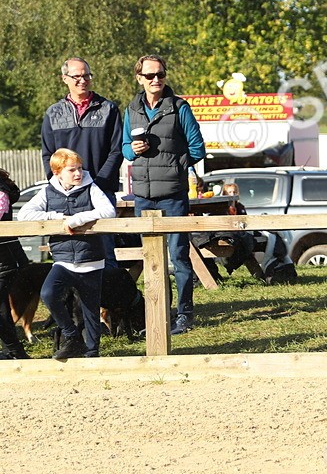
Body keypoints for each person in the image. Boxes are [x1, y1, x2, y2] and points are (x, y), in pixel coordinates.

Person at [121, 55, 207, 335]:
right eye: (149, 75)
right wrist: (134, 151)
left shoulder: (180, 107)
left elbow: (197, 148)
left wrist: (174, 166)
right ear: (139, 78)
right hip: (143, 196)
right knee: (151, 259)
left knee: (179, 256)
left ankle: (184, 314)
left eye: (160, 74)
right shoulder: (131, 109)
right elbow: (124, 148)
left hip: (173, 194)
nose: (156, 79)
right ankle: (158, 315)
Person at [16, 149, 116, 360]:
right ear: (58, 172)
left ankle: (92, 353)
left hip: (91, 260)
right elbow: (24, 214)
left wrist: (76, 219)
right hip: (62, 260)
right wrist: (58, 217)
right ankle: (72, 336)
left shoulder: (91, 187)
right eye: (72, 170)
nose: (78, 173)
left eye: (80, 168)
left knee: (90, 310)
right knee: (48, 293)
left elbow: (108, 211)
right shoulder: (47, 192)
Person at [42, 57, 124, 267]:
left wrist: (97, 184)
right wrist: (60, 186)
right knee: (68, 254)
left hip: (100, 191)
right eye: (76, 76)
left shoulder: (108, 109)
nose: (82, 80)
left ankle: (110, 299)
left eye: (86, 75)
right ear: (65, 78)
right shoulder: (53, 113)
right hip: (66, 195)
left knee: (105, 255)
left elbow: (116, 151)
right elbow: (48, 154)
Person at [0, 168, 30, 359]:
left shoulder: (1, 191)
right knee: (2, 309)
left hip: (5, 261)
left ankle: (16, 351)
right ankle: (15, 352)